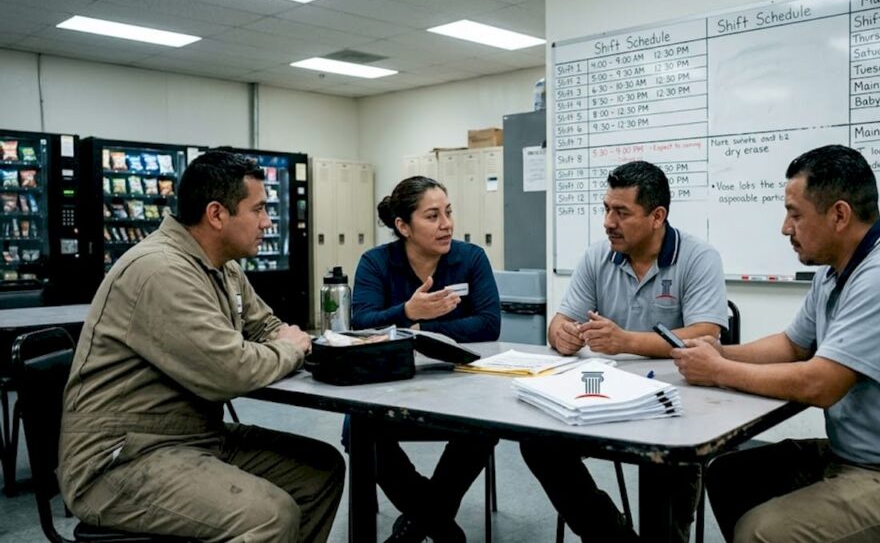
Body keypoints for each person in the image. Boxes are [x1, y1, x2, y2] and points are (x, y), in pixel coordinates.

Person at [675, 144, 880, 542]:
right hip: (860, 460)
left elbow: (820, 385)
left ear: (839, 214)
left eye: (795, 214)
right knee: (730, 476)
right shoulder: (837, 270)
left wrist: (719, 370)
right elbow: (794, 345)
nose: (785, 228)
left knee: (763, 534)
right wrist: (721, 353)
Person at [58, 151, 345, 542]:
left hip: (192, 438)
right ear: (216, 214)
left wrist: (281, 342)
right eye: (258, 209)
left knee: (319, 471)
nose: (267, 222)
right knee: (266, 516)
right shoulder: (161, 270)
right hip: (120, 458)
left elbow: (266, 326)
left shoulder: (223, 267)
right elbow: (232, 370)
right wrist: (292, 349)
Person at [521, 160, 728, 543]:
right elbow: (559, 320)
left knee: (672, 464)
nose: (607, 222)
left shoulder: (699, 258)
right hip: (603, 397)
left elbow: (705, 334)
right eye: (606, 209)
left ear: (657, 216)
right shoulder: (597, 256)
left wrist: (626, 341)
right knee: (538, 443)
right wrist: (561, 335)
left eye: (621, 212)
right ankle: (611, 536)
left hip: (674, 403)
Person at [350, 175, 500, 543]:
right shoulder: (376, 263)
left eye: (448, 213)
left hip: (457, 382)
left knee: (485, 428)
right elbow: (361, 322)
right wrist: (408, 310)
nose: (447, 224)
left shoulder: (471, 258)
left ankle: (417, 525)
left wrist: (422, 326)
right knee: (356, 429)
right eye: (432, 216)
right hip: (392, 384)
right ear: (403, 226)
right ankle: (437, 522)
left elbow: (489, 323)